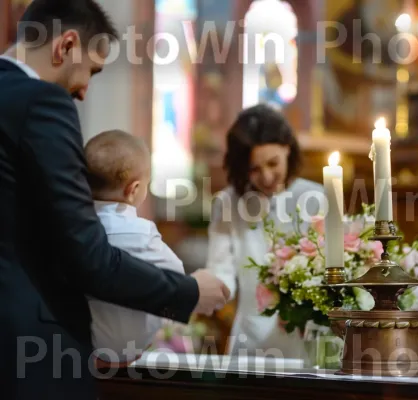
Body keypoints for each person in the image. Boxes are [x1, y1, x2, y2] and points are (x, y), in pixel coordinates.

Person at [0, 1, 229, 399]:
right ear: (65, 45)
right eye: (91, 70)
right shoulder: (42, 102)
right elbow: (85, 254)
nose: (85, 91)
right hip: (30, 351)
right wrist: (188, 292)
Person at [207, 104, 324, 360]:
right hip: (251, 338)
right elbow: (220, 270)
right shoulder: (228, 203)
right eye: (254, 169)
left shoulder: (315, 197)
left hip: (306, 333)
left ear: (288, 149)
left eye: (273, 163)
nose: (267, 176)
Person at [84, 130, 185, 365]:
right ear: (134, 189)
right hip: (132, 350)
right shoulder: (141, 233)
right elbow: (177, 280)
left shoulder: (76, 231)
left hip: (82, 352)